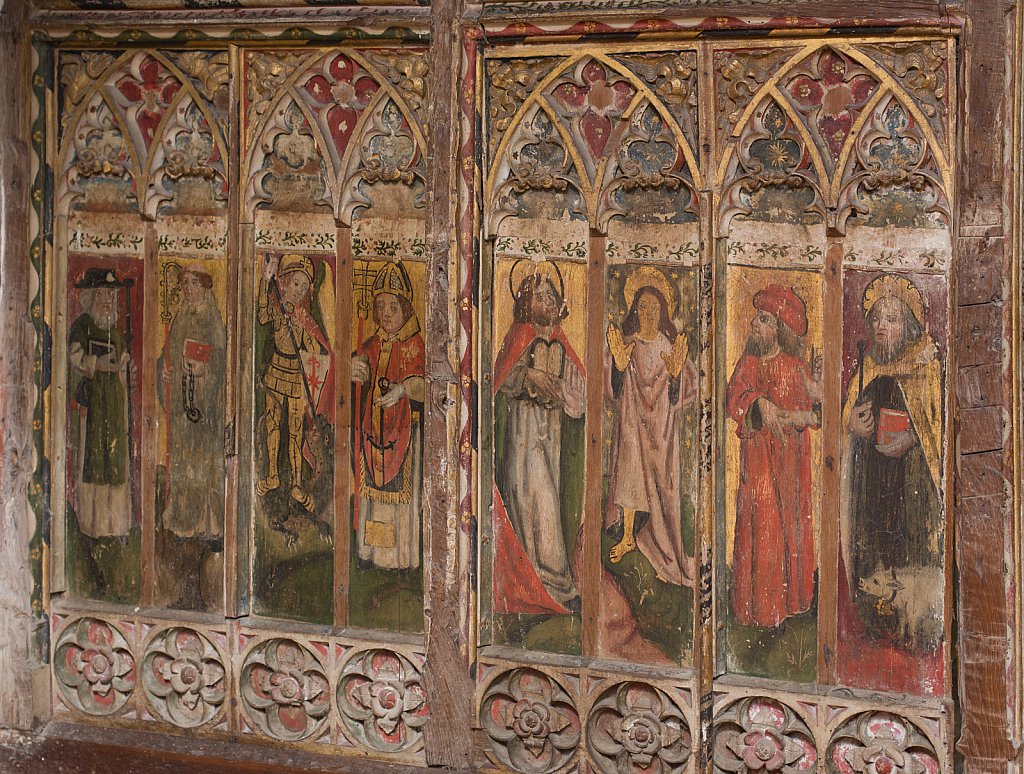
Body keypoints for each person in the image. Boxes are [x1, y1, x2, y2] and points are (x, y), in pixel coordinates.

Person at [842, 273, 942, 643]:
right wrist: (852, 424)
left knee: (909, 541)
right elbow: (848, 418)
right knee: (873, 541)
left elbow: (937, 425)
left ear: (909, 326)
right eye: (877, 319)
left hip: (912, 480)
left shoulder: (926, 365)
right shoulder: (868, 366)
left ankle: (915, 625)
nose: (882, 326)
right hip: (873, 479)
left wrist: (912, 438)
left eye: (892, 319)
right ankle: (874, 617)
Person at [725, 284, 821, 627]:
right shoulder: (748, 363)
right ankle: (760, 610)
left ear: (780, 329)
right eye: (756, 318)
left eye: (763, 319)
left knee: (790, 524)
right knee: (762, 524)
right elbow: (732, 398)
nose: (754, 324)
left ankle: (792, 603)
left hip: (791, 462)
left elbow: (817, 413)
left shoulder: (796, 367)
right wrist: (758, 403)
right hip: (758, 462)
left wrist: (810, 402)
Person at [493, 261, 585, 614]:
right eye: (539, 296)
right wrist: (529, 376)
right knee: (530, 497)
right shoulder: (518, 337)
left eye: (550, 296)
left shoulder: (562, 343)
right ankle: (538, 580)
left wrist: (562, 390)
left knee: (547, 501)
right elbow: (501, 380)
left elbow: (578, 399)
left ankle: (555, 583)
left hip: (552, 435)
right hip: (522, 432)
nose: (546, 302)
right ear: (526, 302)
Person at [604, 265, 697, 586]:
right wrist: (618, 367)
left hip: (661, 429)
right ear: (634, 310)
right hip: (632, 422)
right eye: (642, 306)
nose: (647, 313)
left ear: (663, 313)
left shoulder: (669, 348)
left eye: (654, 308)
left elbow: (682, 393)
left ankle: (663, 544)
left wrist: (676, 374)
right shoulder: (627, 344)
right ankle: (628, 536)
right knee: (630, 465)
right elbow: (614, 391)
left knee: (661, 485)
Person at [351, 261, 424, 571]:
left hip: (403, 434)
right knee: (373, 498)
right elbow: (360, 374)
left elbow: (426, 384)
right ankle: (370, 554)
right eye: (380, 306)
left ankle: (399, 559)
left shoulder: (414, 344)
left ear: (404, 308)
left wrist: (404, 390)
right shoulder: (372, 344)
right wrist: (356, 369)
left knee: (400, 502)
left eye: (393, 306)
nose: (386, 313)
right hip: (373, 434)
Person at [256, 252, 333, 513]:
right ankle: (273, 475)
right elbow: (263, 316)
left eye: (304, 285)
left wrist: (308, 340)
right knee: (272, 423)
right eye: (295, 283)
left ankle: (297, 484)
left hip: (295, 375)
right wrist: (264, 281)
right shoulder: (277, 310)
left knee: (295, 430)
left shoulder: (303, 316)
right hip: (275, 369)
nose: (299, 289)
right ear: (284, 283)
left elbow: (315, 346)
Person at [158, 265, 226, 543]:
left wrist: (205, 370)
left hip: (205, 409)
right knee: (183, 464)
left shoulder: (212, 319)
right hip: (182, 409)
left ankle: (207, 526)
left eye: (194, 283)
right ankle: (182, 524)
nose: (189, 289)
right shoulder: (180, 317)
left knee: (204, 465)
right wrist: (164, 370)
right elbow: (168, 353)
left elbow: (222, 362)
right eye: (185, 283)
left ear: (205, 286)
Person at [68, 268, 134, 540]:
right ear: (91, 297)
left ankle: (115, 526)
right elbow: (75, 359)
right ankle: (92, 525)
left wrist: (125, 367)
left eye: (111, 295)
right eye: (102, 294)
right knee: (93, 462)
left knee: (115, 464)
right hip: (93, 405)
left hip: (114, 406)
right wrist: (98, 364)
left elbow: (120, 365)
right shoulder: (82, 325)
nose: (107, 300)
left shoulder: (115, 330)